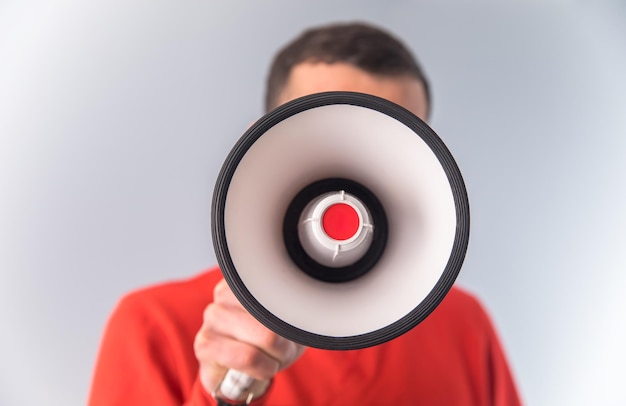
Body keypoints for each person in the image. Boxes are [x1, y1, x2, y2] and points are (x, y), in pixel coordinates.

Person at [88, 22, 522, 406]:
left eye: (393, 132)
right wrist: (224, 395)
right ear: (266, 140)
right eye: (329, 125)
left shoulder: (464, 326)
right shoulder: (154, 326)